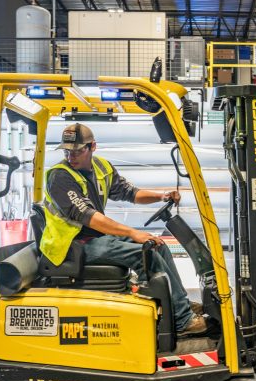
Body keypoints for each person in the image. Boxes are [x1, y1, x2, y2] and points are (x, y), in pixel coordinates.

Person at [40, 123, 207, 335]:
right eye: (67, 151)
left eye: (77, 150)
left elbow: (130, 193)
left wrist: (161, 196)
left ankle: (178, 305)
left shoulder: (101, 168)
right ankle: (182, 321)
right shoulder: (60, 177)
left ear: (93, 147)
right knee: (146, 255)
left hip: (94, 238)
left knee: (159, 246)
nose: (71, 156)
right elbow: (89, 217)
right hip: (72, 246)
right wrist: (131, 232)